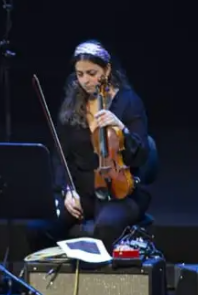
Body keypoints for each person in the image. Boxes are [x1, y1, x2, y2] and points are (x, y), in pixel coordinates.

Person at [49, 40, 152, 251]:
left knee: (105, 226)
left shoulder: (129, 102)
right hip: (84, 193)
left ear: (107, 69)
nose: (85, 80)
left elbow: (142, 155)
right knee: (40, 228)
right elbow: (61, 156)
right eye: (80, 74)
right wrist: (67, 191)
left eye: (92, 73)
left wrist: (121, 128)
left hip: (122, 194)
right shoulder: (73, 104)